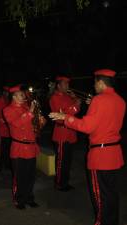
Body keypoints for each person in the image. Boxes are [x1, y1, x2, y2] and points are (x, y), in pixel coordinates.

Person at [49, 69, 125, 225]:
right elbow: (105, 119)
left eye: (95, 82)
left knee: (100, 196)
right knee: (111, 193)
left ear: (101, 82)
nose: (94, 85)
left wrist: (65, 117)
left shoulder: (99, 100)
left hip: (100, 156)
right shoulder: (120, 100)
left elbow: (87, 126)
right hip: (114, 154)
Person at [3, 85, 44, 210]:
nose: (24, 97)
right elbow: (17, 123)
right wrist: (30, 113)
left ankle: (29, 198)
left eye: (23, 95)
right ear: (14, 96)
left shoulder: (26, 107)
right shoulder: (7, 110)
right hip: (19, 147)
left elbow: (34, 127)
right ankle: (19, 200)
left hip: (31, 146)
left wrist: (40, 122)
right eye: (21, 95)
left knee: (30, 176)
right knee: (19, 177)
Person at [49, 76, 80, 191]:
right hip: (61, 133)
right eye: (65, 84)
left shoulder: (68, 96)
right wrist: (75, 105)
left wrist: (75, 100)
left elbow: (74, 111)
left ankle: (65, 182)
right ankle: (59, 183)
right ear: (58, 85)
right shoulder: (55, 98)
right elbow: (60, 116)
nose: (68, 86)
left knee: (68, 160)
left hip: (70, 132)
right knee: (61, 161)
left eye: (68, 84)